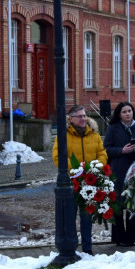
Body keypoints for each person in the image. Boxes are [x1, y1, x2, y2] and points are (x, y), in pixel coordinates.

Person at [52, 105, 109, 254]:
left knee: (86, 217)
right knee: (69, 217)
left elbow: (102, 154)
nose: (83, 119)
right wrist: (77, 170)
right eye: (79, 116)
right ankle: (70, 248)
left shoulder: (94, 135)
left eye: (84, 116)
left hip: (90, 182)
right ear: (71, 119)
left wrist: (95, 167)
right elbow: (58, 157)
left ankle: (87, 249)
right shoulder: (63, 135)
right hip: (72, 182)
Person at [102, 101, 135, 247]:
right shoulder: (113, 128)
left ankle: (130, 238)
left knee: (132, 204)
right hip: (117, 170)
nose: (127, 114)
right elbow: (107, 148)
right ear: (119, 114)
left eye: (129, 111)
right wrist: (121, 151)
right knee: (117, 204)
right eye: (124, 112)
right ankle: (118, 237)